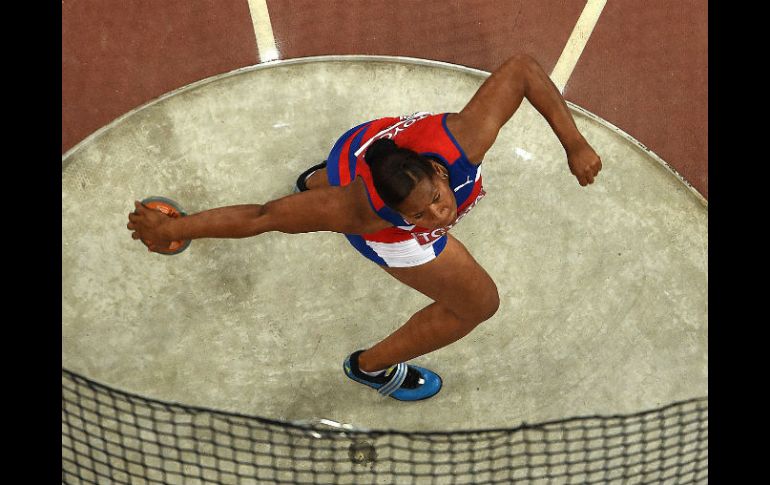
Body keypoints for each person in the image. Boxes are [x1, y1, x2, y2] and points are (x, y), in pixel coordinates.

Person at [127, 53, 602, 402]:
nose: (441, 217)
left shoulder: (464, 137)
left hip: (353, 151)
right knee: (480, 304)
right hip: (362, 199)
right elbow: (262, 217)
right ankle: (370, 367)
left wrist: (574, 144)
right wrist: (177, 228)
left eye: (437, 201)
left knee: (325, 187)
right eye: (421, 215)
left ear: (440, 173)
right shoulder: (361, 214)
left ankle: (315, 180)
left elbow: (522, 69)